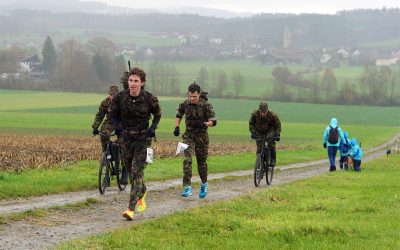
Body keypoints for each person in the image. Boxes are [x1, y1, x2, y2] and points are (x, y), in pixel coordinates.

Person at [109, 67, 162, 221]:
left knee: (136, 170)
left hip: (143, 139)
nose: (132, 84)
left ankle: (130, 209)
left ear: (142, 83)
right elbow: (113, 115)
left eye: (136, 81)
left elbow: (158, 114)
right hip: (126, 138)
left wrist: (153, 128)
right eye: (131, 80)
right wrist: (117, 127)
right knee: (131, 171)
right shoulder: (120, 97)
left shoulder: (149, 98)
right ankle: (142, 190)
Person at [174, 83, 217, 198]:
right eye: (190, 96)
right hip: (188, 136)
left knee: (201, 162)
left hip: (202, 137)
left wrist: (204, 123)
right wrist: (177, 127)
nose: (191, 99)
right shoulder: (185, 104)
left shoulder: (206, 105)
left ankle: (204, 183)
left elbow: (213, 121)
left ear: (199, 94)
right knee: (187, 160)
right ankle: (187, 186)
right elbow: (179, 114)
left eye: (194, 96)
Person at [249, 102, 281, 167]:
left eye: (264, 112)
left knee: (271, 143)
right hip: (259, 132)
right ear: (259, 110)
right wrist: (253, 133)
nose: (263, 113)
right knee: (259, 148)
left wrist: (277, 134)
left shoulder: (272, 115)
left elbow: (278, 126)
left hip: (270, 132)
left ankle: (273, 159)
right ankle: (259, 162)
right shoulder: (255, 114)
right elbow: (251, 124)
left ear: (267, 110)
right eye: (261, 112)